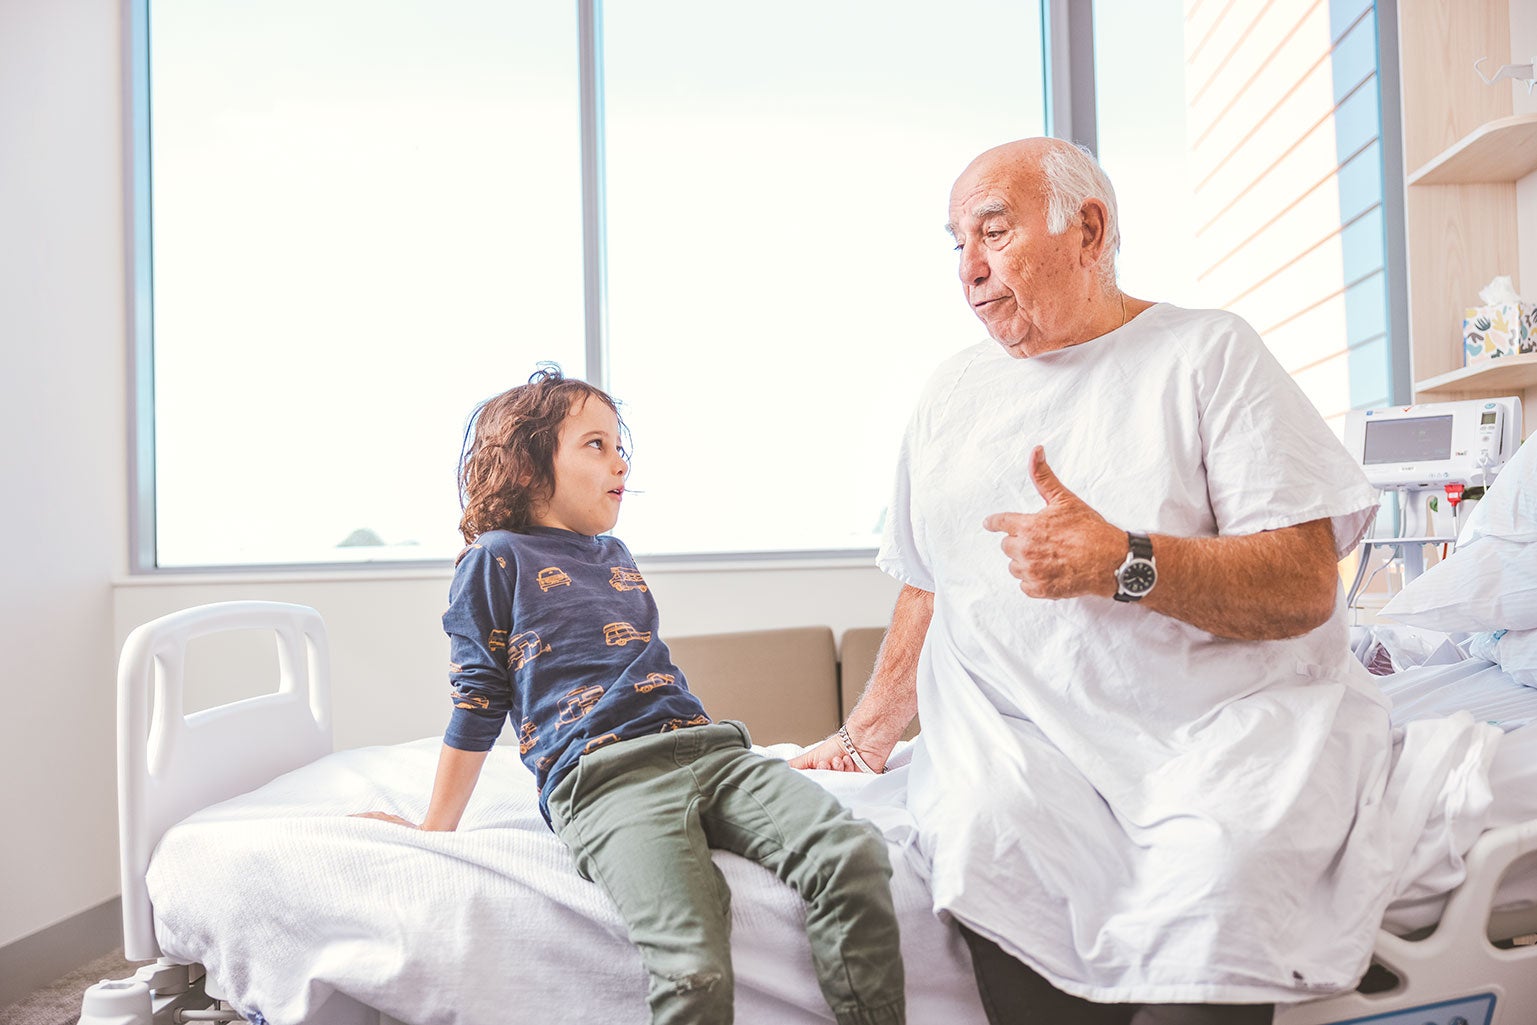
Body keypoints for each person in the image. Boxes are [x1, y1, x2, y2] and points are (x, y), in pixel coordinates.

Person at [793, 138, 1417, 1023]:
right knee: (990, 843)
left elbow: (1302, 582)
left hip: (1216, 727)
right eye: (954, 242)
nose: (968, 269)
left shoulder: (1207, 353)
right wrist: (863, 737)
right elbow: (931, 584)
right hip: (1021, 735)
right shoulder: (948, 395)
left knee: (1216, 875)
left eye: (994, 232)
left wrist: (1122, 560)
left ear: (1087, 229)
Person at [357, 367, 906, 1025]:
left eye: (621, 445)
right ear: (529, 467)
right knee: (693, 967)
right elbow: (479, 697)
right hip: (603, 781)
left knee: (853, 857)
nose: (620, 460)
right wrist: (434, 826)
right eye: (595, 444)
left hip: (713, 752)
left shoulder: (613, 551)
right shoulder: (495, 558)